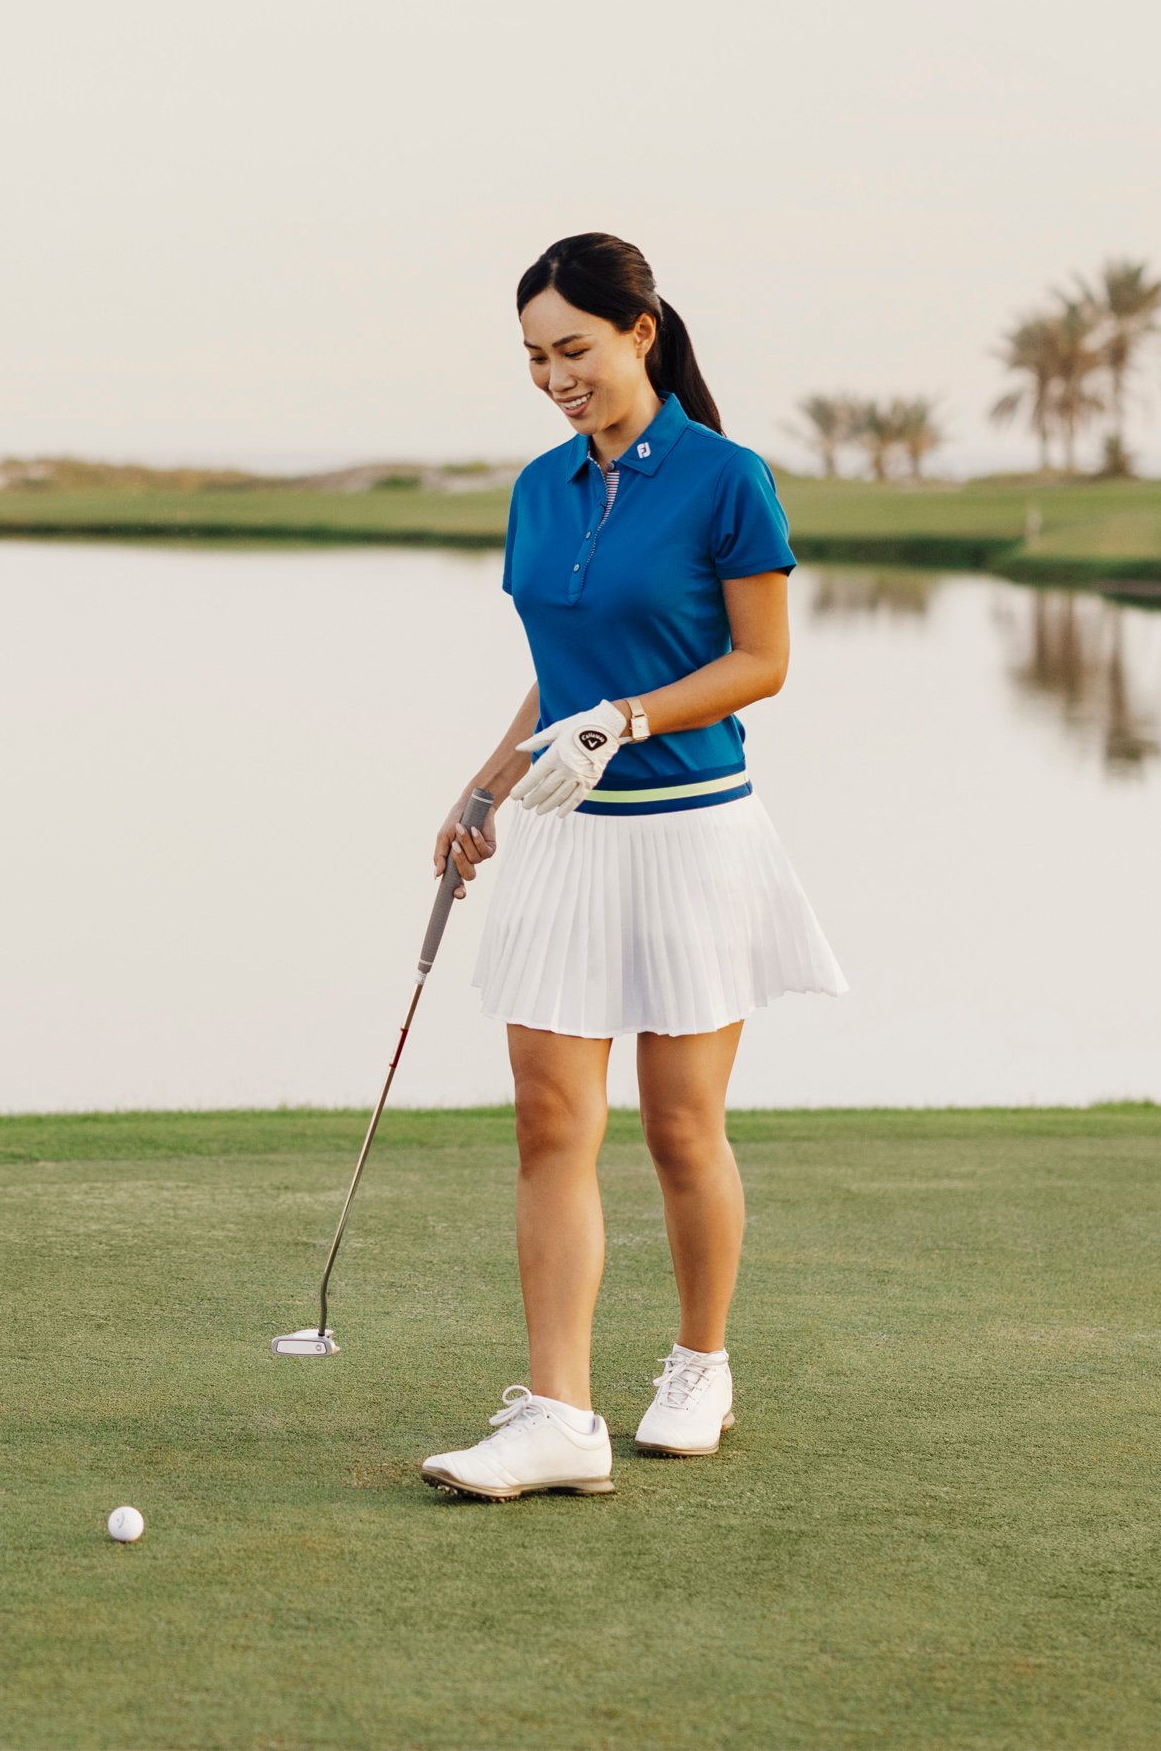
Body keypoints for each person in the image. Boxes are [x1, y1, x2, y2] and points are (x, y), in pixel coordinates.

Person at [413, 232, 848, 1500]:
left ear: (639, 332)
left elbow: (760, 661)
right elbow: (558, 669)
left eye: (575, 349)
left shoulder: (726, 479)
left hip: (690, 834)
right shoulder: (541, 488)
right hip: (566, 834)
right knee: (550, 1121)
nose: (555, 377)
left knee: (676, 1125)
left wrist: (631, 719)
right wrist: (487, 784)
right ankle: (559, 1415)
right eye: (536, 357)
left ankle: (700, 1362)